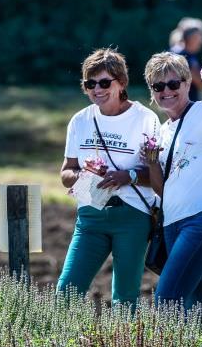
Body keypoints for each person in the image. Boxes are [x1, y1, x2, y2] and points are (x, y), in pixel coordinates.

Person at [57, 48, 160, 305]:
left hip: (133, 215)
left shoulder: (145, 119)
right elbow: (66, 172)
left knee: (125, 298)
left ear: (122, 83)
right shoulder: (80, 120)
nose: (97, 89)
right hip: (91, 213)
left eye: (105, 82)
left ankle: (123, 345)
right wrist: (84, 174)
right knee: (66, 292)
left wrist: (129, 176)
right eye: (90, 83)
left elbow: (158, 174)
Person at [143, 51, 202, 320]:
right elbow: (163, 190)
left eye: (173, 84)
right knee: (199, 309)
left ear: (187, 83)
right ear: (152, 91)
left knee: (167, 298)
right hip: (173, 224)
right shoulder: (162, 131)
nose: (167, 91)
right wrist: (152, 163)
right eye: (158, 86)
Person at [169, 18, 202, 101]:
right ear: (191, 37)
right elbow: (200, 83)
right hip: (183, 105)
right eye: (200, 36)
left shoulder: (183, 53)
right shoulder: (182, 55)